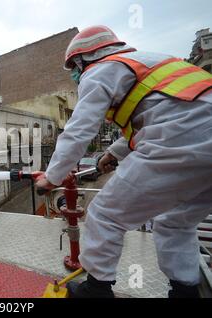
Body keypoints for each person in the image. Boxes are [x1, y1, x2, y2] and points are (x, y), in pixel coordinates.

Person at [36, 25, 212, 298]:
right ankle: (185, 292)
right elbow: (166, 113)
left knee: (105, 215)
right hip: (196, 141)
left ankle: (96, 291)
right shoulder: (154, 62)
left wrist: (52, 176)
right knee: (176, 222)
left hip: (181, 142)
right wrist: (114, 153)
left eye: (74, 66)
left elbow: (80, 129)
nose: (74, 73)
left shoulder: (100, 70)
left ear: (86, 57)